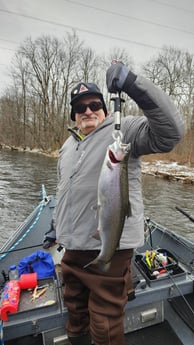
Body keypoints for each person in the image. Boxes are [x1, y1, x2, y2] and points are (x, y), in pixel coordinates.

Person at [44, 62, 184, 345]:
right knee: (75, 311)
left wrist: (133, 83)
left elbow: (171, 132)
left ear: (105, 108)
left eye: (94, 104)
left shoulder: (125, 131)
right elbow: (67, 191)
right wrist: (56, 226)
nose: (87, 111)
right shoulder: (68, 146)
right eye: (80, 107)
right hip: (71, 248)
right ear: (73, 114)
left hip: (110, 246)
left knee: (105, 321)